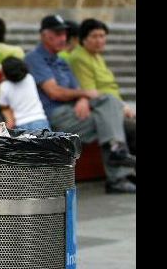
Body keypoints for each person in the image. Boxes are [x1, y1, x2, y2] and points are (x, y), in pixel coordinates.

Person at [24, 14, 136, 194]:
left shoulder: (61, 61)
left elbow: (79, 89)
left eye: (64, 34)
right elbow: (54, 92)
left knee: (110, 106)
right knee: (110, 115)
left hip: (74, 112)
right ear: (44, 35)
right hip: (56, 115)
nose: (63, 38)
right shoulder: (34, 58)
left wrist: (83, 98)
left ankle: (118, 161)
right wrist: (84, 94)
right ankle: (117, 172)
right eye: (57, 33)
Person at [67, 18, 136, 155]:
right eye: (94, 36)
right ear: (83, 39)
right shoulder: (79, 58)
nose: (99, 40)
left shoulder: (96, 56)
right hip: (103, 110)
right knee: (133, 129)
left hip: (116, 106)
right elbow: (91, 93)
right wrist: (122, 107)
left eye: (102, 36)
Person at [0, 57, 50, 130]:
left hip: (20, 124)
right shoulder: (29, 78)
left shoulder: (4, 86)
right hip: (39, 119)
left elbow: (3, 105)